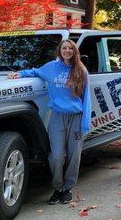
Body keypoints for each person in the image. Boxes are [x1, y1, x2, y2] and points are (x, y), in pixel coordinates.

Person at [7, 39, 91, 205]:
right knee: (56, 156)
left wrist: (85, 124)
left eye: (70, 48)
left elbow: (87, 98)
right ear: (59, 51)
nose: (67, 51)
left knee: (74, 156)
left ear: (74, 51)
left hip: (76, 117)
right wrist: (20, 74)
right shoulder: (51, 67)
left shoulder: (81, 69)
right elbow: (35, 72)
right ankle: (57, 187)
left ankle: (68, 189)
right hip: (57, 117)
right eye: (64, 48)